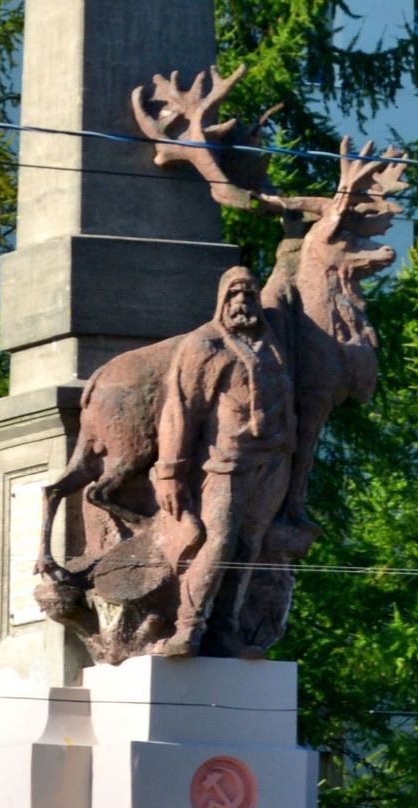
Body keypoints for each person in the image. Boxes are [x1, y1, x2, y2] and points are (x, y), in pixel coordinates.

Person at [151, 265, 297, 655]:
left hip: (272, 464)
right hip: (226, 464)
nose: (242, 303)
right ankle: (188, 628)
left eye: (249, 295)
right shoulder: (206, 345)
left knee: (249, 547)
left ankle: (225, 630)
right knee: (217, 544)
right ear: (221, 301)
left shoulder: (273, 343)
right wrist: (169, 472)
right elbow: (180, 409)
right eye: (234, 295)